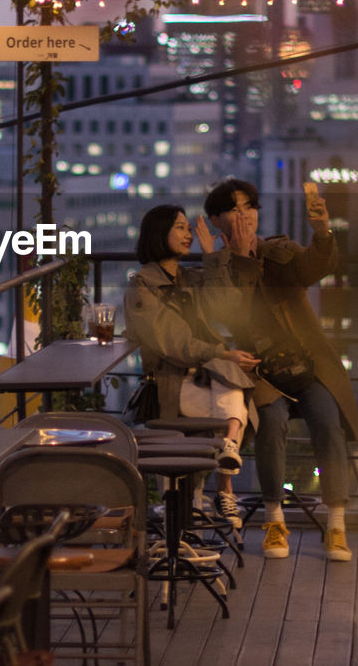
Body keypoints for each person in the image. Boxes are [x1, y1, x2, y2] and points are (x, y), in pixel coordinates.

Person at [203, 178, 358, 561]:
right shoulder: (216, 266)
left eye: (250, 207)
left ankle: (336, 524)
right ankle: (275, 520)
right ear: (215, 220)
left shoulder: (279, 250)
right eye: (234, 209)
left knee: (327, 421)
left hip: (306, 363)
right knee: (271, 423)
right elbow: (229, 313)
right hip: (258, 371)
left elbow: (313, 267)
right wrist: (239, 257)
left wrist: (322, 231)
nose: (245, 216)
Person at [123, 204, 261, 529]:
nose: (188, 235)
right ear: (160, 234)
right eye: (180, 228)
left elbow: (229, 308)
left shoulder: (188, 278)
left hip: (203, 381)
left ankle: (221, 460)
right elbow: (172, 342)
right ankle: (224, 469)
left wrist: (212, 256)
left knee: (231, 384)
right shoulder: (142, 285)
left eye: (188, 229)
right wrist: (221, 354)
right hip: (172, 384)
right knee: (233, 385)